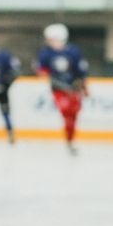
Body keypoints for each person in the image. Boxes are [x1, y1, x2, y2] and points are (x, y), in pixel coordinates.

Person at [34, 23, 88, 155]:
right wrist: (47, 75)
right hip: (58, 88)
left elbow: (81, 73)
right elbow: (40, 70)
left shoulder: (73, 52)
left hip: (72, 88)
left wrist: (83, 87)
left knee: (73, 115)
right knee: (65, 110)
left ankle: (70, 141)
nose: (49, 42)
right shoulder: (46, 52)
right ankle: (69, 141)